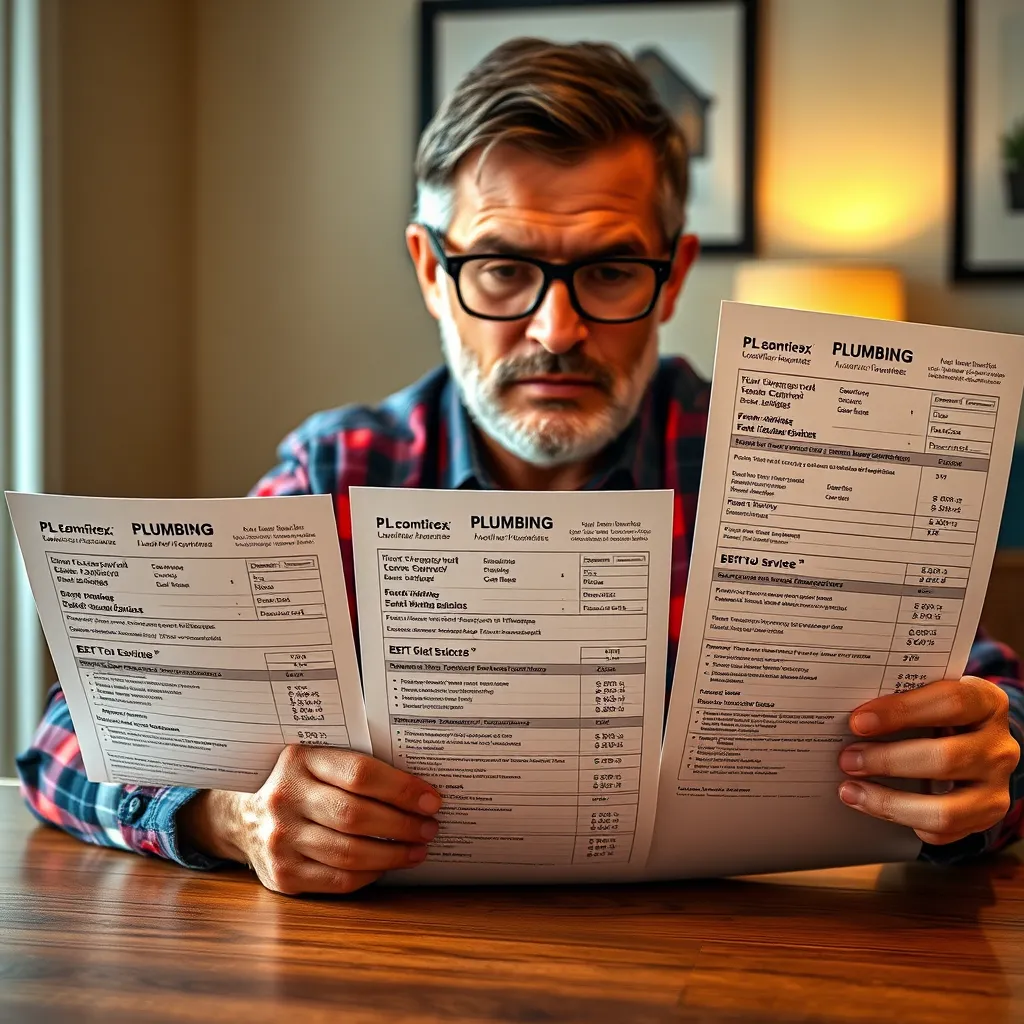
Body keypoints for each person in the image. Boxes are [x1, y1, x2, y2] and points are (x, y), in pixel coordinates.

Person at [17, 39, 1023, 895]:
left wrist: (984, 775)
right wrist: (227, 817)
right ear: (428, 271)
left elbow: (991, 711)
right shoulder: (340, 464)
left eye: (608, 270)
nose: (556, 328)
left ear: (671, 276)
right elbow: (73, 735)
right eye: (501, 268)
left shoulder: (771, 464)